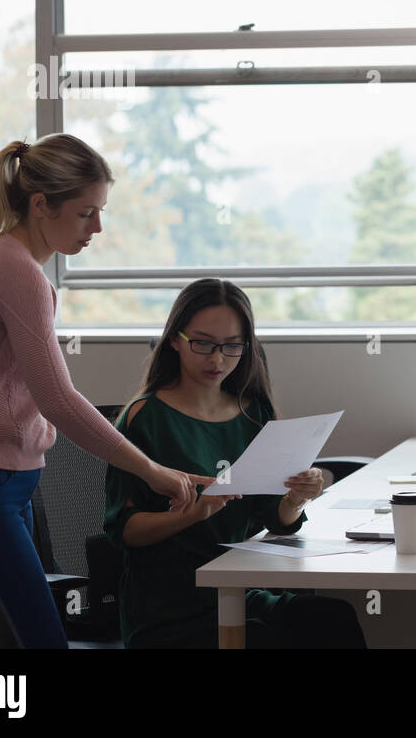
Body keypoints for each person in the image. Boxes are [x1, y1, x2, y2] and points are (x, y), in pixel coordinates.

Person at [0, 136, 205, 649]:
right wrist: (150, 470)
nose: (97, 227)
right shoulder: (13, 270)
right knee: (38, 643)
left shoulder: (6, 262)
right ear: (39, 206)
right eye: (85, 213)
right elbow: (58, 399)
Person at [104, 278, 366, 648]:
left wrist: (294, 499)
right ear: (175, 340)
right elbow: (123, 532)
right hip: (169, 605)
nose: (216, 359)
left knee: (330, 617)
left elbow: (272, 518)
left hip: (238, 592)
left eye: (231, 347)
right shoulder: (144, 417)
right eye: (203, 343)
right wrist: (191, 515)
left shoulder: (251, 412)